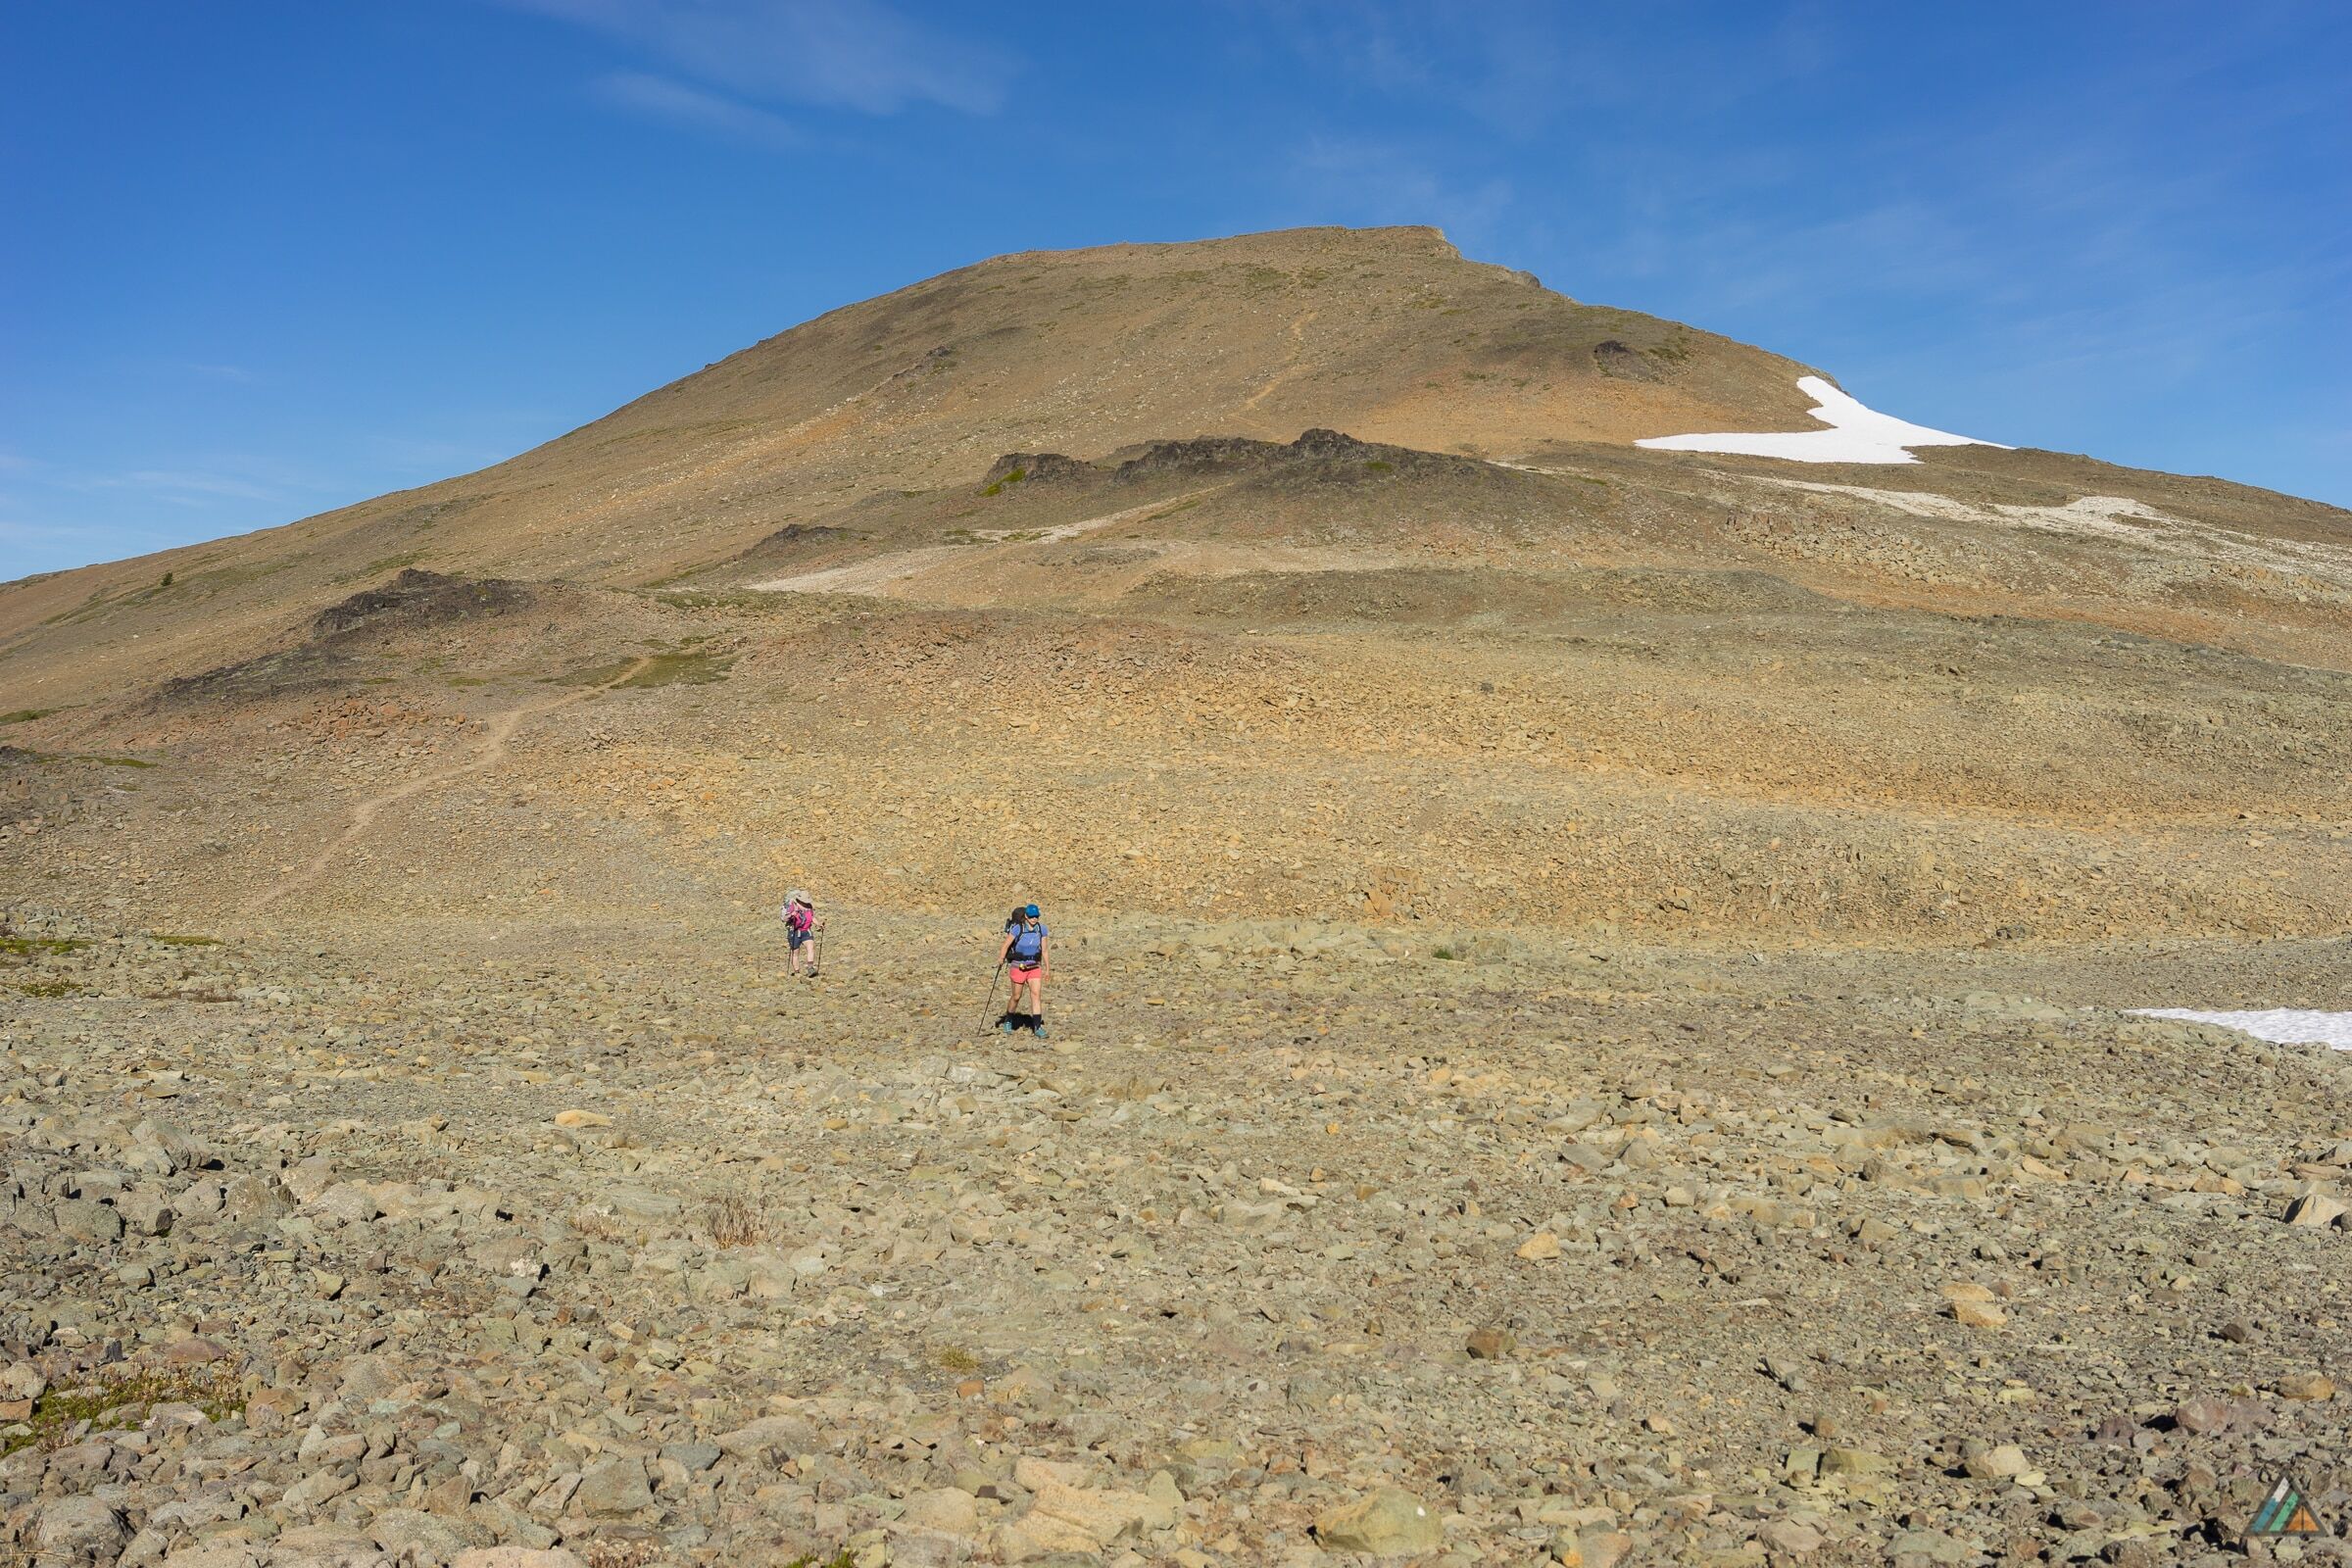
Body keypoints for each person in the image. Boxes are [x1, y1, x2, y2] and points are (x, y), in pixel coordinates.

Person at [998, 903, 1050, 1037]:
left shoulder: (1042, 929)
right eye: (1031, 916)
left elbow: (1044, 950)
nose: (1034, 918)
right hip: (1018, 966)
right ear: (1026, 916)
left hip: (1034, 966)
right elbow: (1005, 945)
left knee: (1036, 995)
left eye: (1036, 916)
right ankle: (1009, 1019)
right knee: (1016, 996)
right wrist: (1001, 958)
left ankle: (1037, 1027)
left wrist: (1047, 969)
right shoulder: (1017, 929)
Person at [782, 890, 824, 979]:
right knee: (795, 953)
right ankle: (797, 972)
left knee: (811, 947)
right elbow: (785, 918)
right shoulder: (793, 906)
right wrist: (791, 915)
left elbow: (812, 917)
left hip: (806, 930)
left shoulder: (809, 907)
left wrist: (818, 924)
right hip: (795, 931)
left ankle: (810, 968)